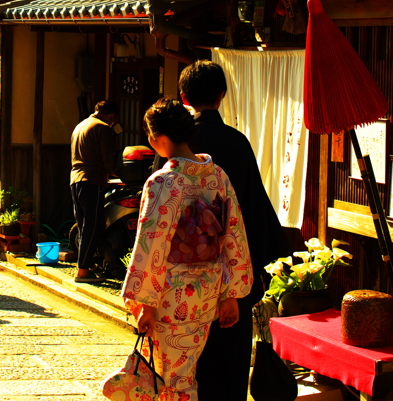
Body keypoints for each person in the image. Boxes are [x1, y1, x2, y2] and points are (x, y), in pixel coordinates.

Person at [119, 98, 253, 401]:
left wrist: (145, 302)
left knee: (172, 380)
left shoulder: (164, 182)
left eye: (150, 137)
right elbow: (234, 234)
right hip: (206, 292)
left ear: (159, 139)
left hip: (170, 293)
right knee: (185, 370)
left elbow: (151, 244)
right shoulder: (217, 176)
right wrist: (230, 293)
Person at [178, 60, 291, 401]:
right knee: (228, 364)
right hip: (231, 272)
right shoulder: (236, 142)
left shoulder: (178, 145)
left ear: (184, 97)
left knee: (186, 364)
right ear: (222, 95)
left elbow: (158, 217)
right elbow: (255, 208)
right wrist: (263, 267)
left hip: (184, 277)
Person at [69, 100, 118, 283]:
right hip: (92, 180)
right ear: (111, 116)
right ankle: (83, 271)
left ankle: (87, 264)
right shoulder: (103, 128)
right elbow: (107, 160)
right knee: (94, 225)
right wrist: (117, 174)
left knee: (83, 226)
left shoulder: (80, 126)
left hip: (75, 180)